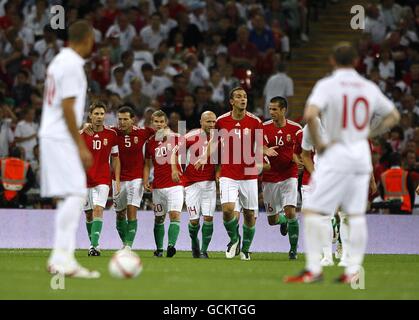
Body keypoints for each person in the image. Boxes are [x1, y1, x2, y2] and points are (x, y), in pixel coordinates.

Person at [284, 42, 400, 284]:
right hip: (359, 156)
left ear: (332, 61)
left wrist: (320, 143)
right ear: (357, 61)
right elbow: (393, 116)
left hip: (335, 156)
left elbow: (310, 114)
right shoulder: (367, 86)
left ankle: (314, 269)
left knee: (314, 211)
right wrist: (369, 131)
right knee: (355, 215)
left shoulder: (327, 85)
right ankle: (352, 269)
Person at [39, 20, 99, 278]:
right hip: (61, 137)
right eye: (92, 39)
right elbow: (67, 106)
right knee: (76, 193)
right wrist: (80, 147)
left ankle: (61, 258)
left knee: (72, 194)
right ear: (86, 39)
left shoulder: (58, 61)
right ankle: (62, 258)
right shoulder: (73, 65)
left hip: (52, 135)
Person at [199, 87, 277, 260]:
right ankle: (235, 239)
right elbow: (213, 142)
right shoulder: (221, 121)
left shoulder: (255, 121)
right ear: (232, 101)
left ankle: (246, 250)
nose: (243, 99)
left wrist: (265, 151)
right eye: (239, 97)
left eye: (245, 97)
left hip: (248, 175)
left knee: (249, 214)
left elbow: (259, 145)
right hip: (228, 173)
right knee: (227, 210)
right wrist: (204, 156)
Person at [172, 111, 217, 258]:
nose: (211, 125)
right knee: (194, 221)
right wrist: (174, 169)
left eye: (213, 122)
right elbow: (174, 153)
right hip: (191, 184)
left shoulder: (219, 138)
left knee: (209, 217)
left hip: (209, 183)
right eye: (208, 122)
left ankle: (204, 250)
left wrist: (219, 173)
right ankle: (193, 240)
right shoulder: (190, 137)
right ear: (201, 122)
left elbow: (224, 159)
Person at [262, 96, 302, 260]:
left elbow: (301, 149)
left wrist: (298, 159)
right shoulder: (263, 127)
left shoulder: (296, 129)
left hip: (288, 175)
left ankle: (293, 250)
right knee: (272, 220)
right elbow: (257, 145)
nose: (271, 112)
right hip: (270, 176)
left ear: (284, 110)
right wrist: (265, 150)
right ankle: (283, 220)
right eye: (270, 109)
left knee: (291, 211)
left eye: (275, 109)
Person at [112, 106, 155, 249]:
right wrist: (87, 125)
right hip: (117, 179)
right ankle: (125, 243)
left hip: (136, 178)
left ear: (133, 120)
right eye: (120, 119)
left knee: (132, 210)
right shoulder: (113, 132)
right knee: (119, 214)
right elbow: (95, 128)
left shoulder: (143, 132)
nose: (122, 122)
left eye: (125, 119)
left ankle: (128, 246)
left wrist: (181, 128)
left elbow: (164, 132)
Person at [81, 101, 120, 256]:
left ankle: (94, 246)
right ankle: (93, 244)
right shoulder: (82, 134)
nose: (99, 117)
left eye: (101, 114)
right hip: (83, 180)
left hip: (103, 179)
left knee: (98, 209)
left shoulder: (111, 134)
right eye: (96, 114)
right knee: (89, 213)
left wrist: (116, 179)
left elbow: (115, 158)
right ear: (90, 115)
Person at [143, 110, 184, 258]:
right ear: (152, 123)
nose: (159, 124)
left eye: (161, 122)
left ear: (166, 123)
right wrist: (145, 179)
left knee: (174, 214)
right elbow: (147, 164)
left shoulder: (176, 138)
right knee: (159, 218)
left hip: (175, 184)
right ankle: (159, 249)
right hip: (158, 186)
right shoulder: (149, 143)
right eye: (156, 122)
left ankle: (171, 246)